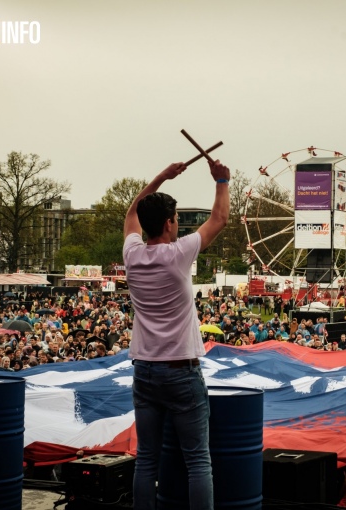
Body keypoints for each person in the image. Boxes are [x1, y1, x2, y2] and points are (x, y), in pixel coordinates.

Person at [124, 158, 230, 510]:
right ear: (169, 224)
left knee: (146, 460)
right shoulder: (178, 254)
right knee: (198, 462)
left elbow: (129, 214)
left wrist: (161, 177)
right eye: (176, 220)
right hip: (180, 370)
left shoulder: (133, 254)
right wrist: (221, 180)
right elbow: (220, 219)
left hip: (145, 369)